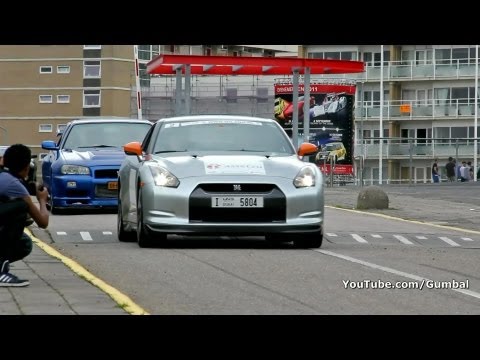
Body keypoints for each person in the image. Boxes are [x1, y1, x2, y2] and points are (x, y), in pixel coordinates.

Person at [0, 144, 49, 287]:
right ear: (27, 167)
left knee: (23, 239)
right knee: (21, 208)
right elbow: (42, 222)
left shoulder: (3, 175)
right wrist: (42, 200)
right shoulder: (15, 185)